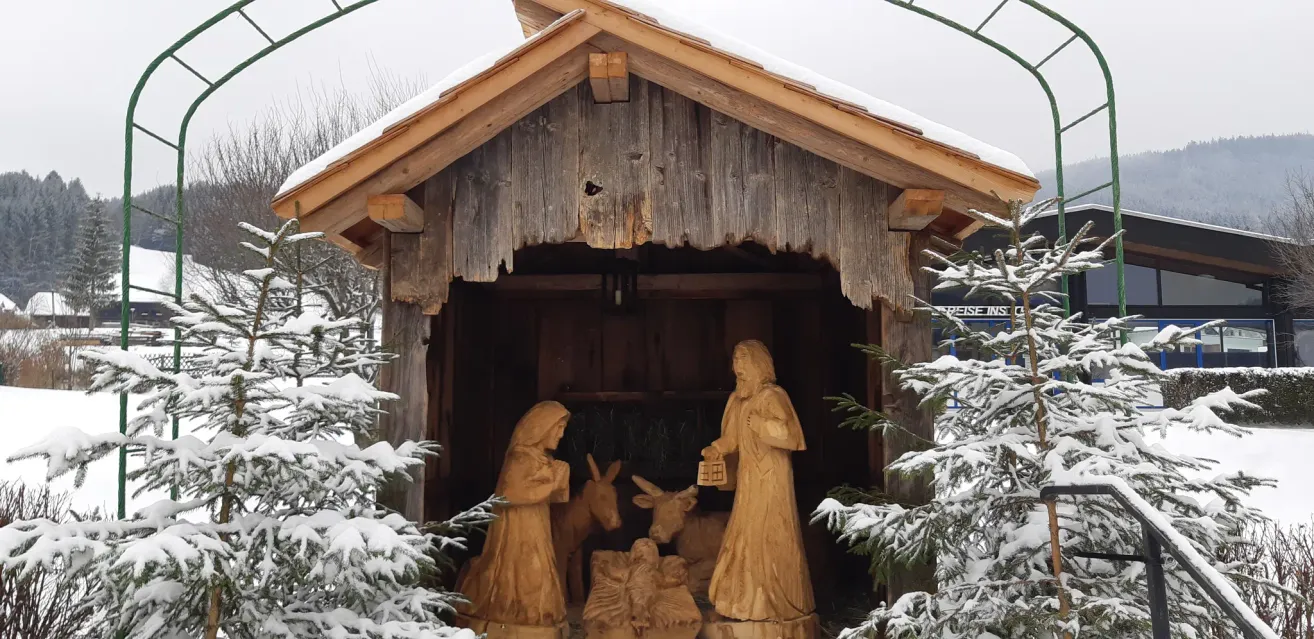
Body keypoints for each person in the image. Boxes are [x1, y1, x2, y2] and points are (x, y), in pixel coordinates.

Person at [701, 340, 814, 622]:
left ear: (759, 364)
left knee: (772, 532)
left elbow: (791, 436)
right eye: (735, 360)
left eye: (743, 359)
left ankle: (776, 602)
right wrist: (716, 448)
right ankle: (741, 600)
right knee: (745, 531)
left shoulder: (773, 396)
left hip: (773, 478)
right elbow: (732, 439)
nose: (737, 366)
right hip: (749, 478)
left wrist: (762, 425)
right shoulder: (736, 401)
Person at [458, 401, 572, 627]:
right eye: (558, 428)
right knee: (525, 569)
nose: (561, 435)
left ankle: (538, 615)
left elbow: (559, 498)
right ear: (542, 427)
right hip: (518, 526)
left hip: (537, 523)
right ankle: (519, 614)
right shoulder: (520, 457)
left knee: (539, 568)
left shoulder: (545, 460)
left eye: (563, 429)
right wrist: (552, 484)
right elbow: (510, 494)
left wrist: (561, 478)